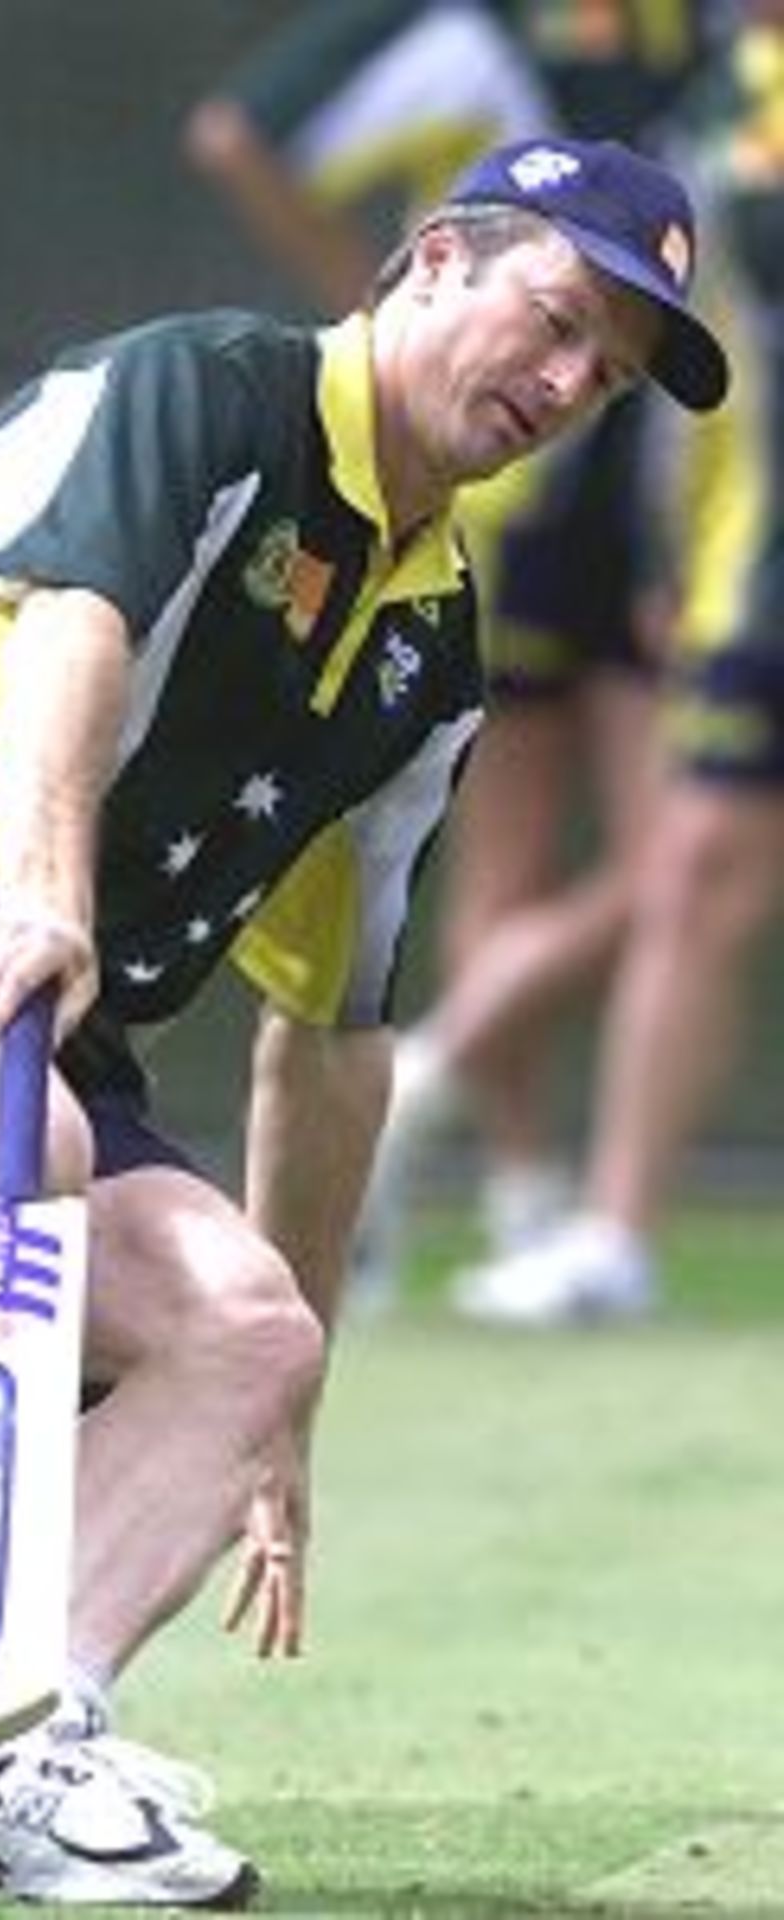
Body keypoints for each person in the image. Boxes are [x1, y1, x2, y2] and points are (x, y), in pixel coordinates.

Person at [0, 136, 727, 1906]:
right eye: (557, 319)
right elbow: (71, 632)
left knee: (248, 1329)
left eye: (609, 374)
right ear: (432, 264)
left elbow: (330, 1034)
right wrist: (42, 890)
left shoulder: (429, 649)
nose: (567, 385)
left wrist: (288, 1416)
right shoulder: (210, 395)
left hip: (12, 993)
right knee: (11, 1143)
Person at [187, 1, 727, 1302]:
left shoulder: (709, 45)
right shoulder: (476, 28)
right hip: (516, 506)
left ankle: (434, 1111)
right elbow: (238, 133)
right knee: (515, 844)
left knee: (682, 862)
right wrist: (387, 313)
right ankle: (522, 1188)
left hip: (654, 496)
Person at [447, 13, 784, 1324]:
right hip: (750, 575)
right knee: (693, 873)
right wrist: (674, 555)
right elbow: (715, 381)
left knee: (689, 871)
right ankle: (608, 1233)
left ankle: (427, 1080)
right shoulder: (719, 98)